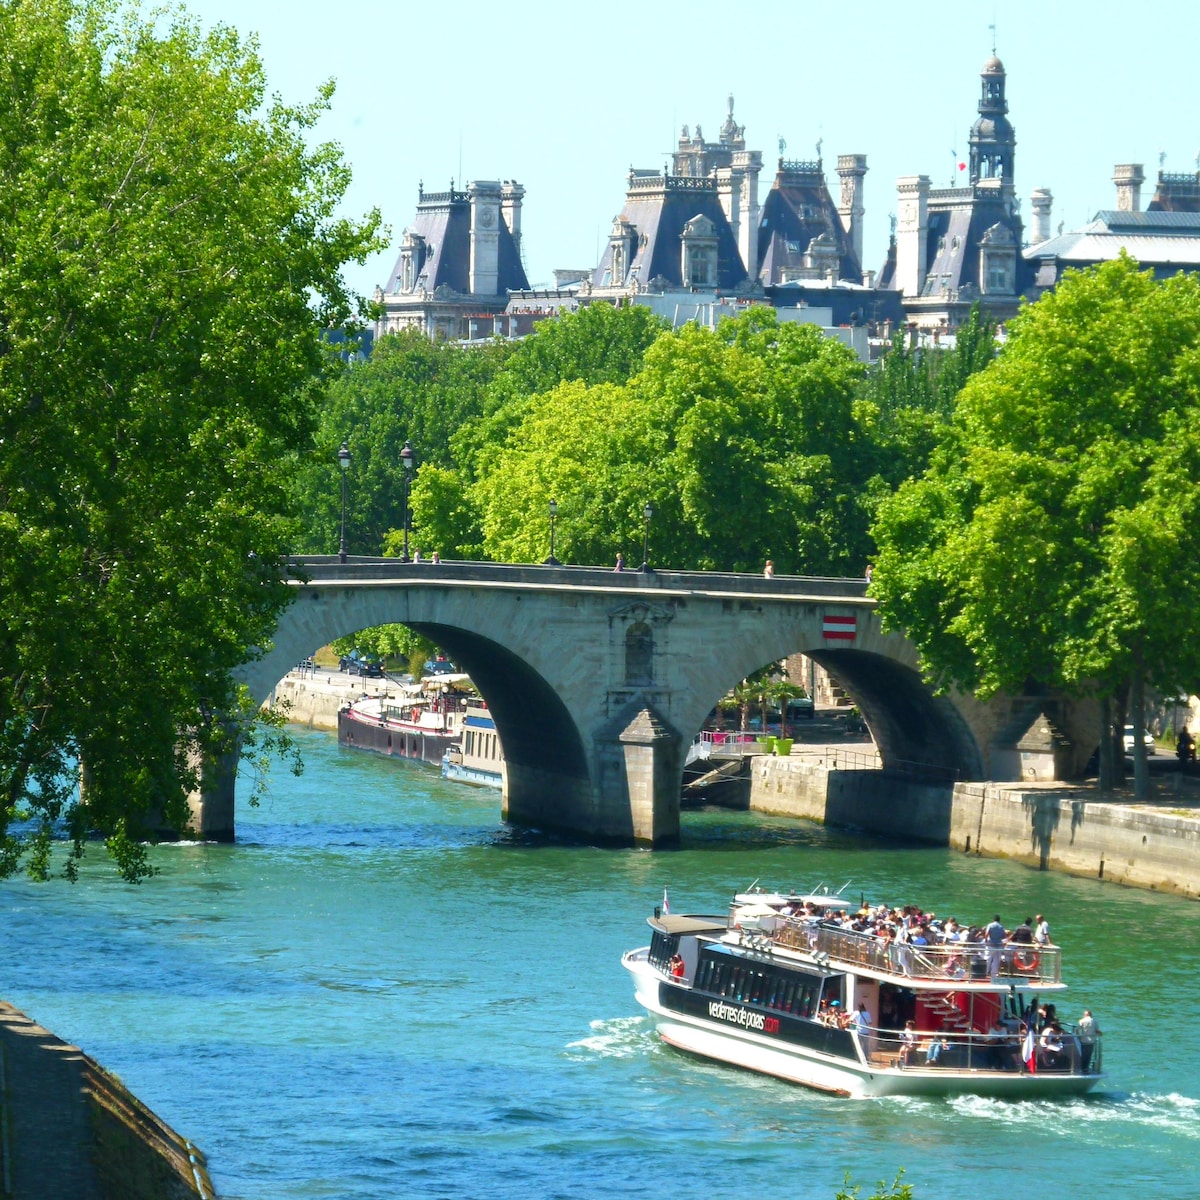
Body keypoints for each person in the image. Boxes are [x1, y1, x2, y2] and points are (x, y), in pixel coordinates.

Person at [1077, 1009, 1101, 1073]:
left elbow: (1077, 1030)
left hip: (1083, 1040)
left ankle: (1082, 1068)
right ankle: (1086, 1069)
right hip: (1091, 1041)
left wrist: (1079, 1037)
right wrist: (1100, 1033)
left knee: (1083, 1054)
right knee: (1089, 1055)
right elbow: (1097, 1030)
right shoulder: (1094, 1021)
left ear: (1085, 1015)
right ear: (1090, 1014)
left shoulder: (1081, 1021)